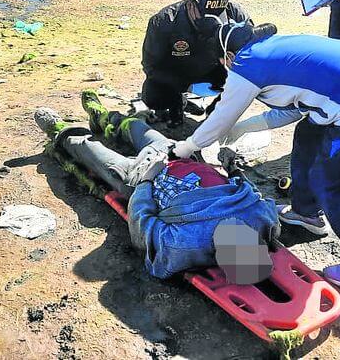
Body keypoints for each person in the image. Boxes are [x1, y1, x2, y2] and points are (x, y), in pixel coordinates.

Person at [171, 23, 340, 289]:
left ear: (227, 57)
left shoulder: (245, 63)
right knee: (308, 134)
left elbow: (220, 118)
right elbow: (297, 108)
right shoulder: (270, 48)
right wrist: (245, 127)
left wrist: (185, 148)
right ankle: (306, 212)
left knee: (332, 184)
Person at [35, 91, 279, 283]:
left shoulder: (182, 244)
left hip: (143, 175)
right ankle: (104, 117)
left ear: (217, 250)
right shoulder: (260, 220)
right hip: (182, 156)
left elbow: (141, 221)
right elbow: (250, 191)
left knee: (92, 152)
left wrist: (147, 179)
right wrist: (233, 168)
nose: (233, 225)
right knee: (139, 129)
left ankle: (61, 131)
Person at [141, 0, 251, 127]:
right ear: (190, 4)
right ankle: (177, 103)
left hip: (215, 69)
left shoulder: (234, 14)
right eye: (206, 15)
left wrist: (234, 58)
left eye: (218, 16)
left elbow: (252, 54)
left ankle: (214, 114)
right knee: (153, 95)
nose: (212, 21)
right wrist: (183, 86)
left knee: (246, 84)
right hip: (177, 72)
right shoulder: (164, 21)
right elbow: (151, 66)